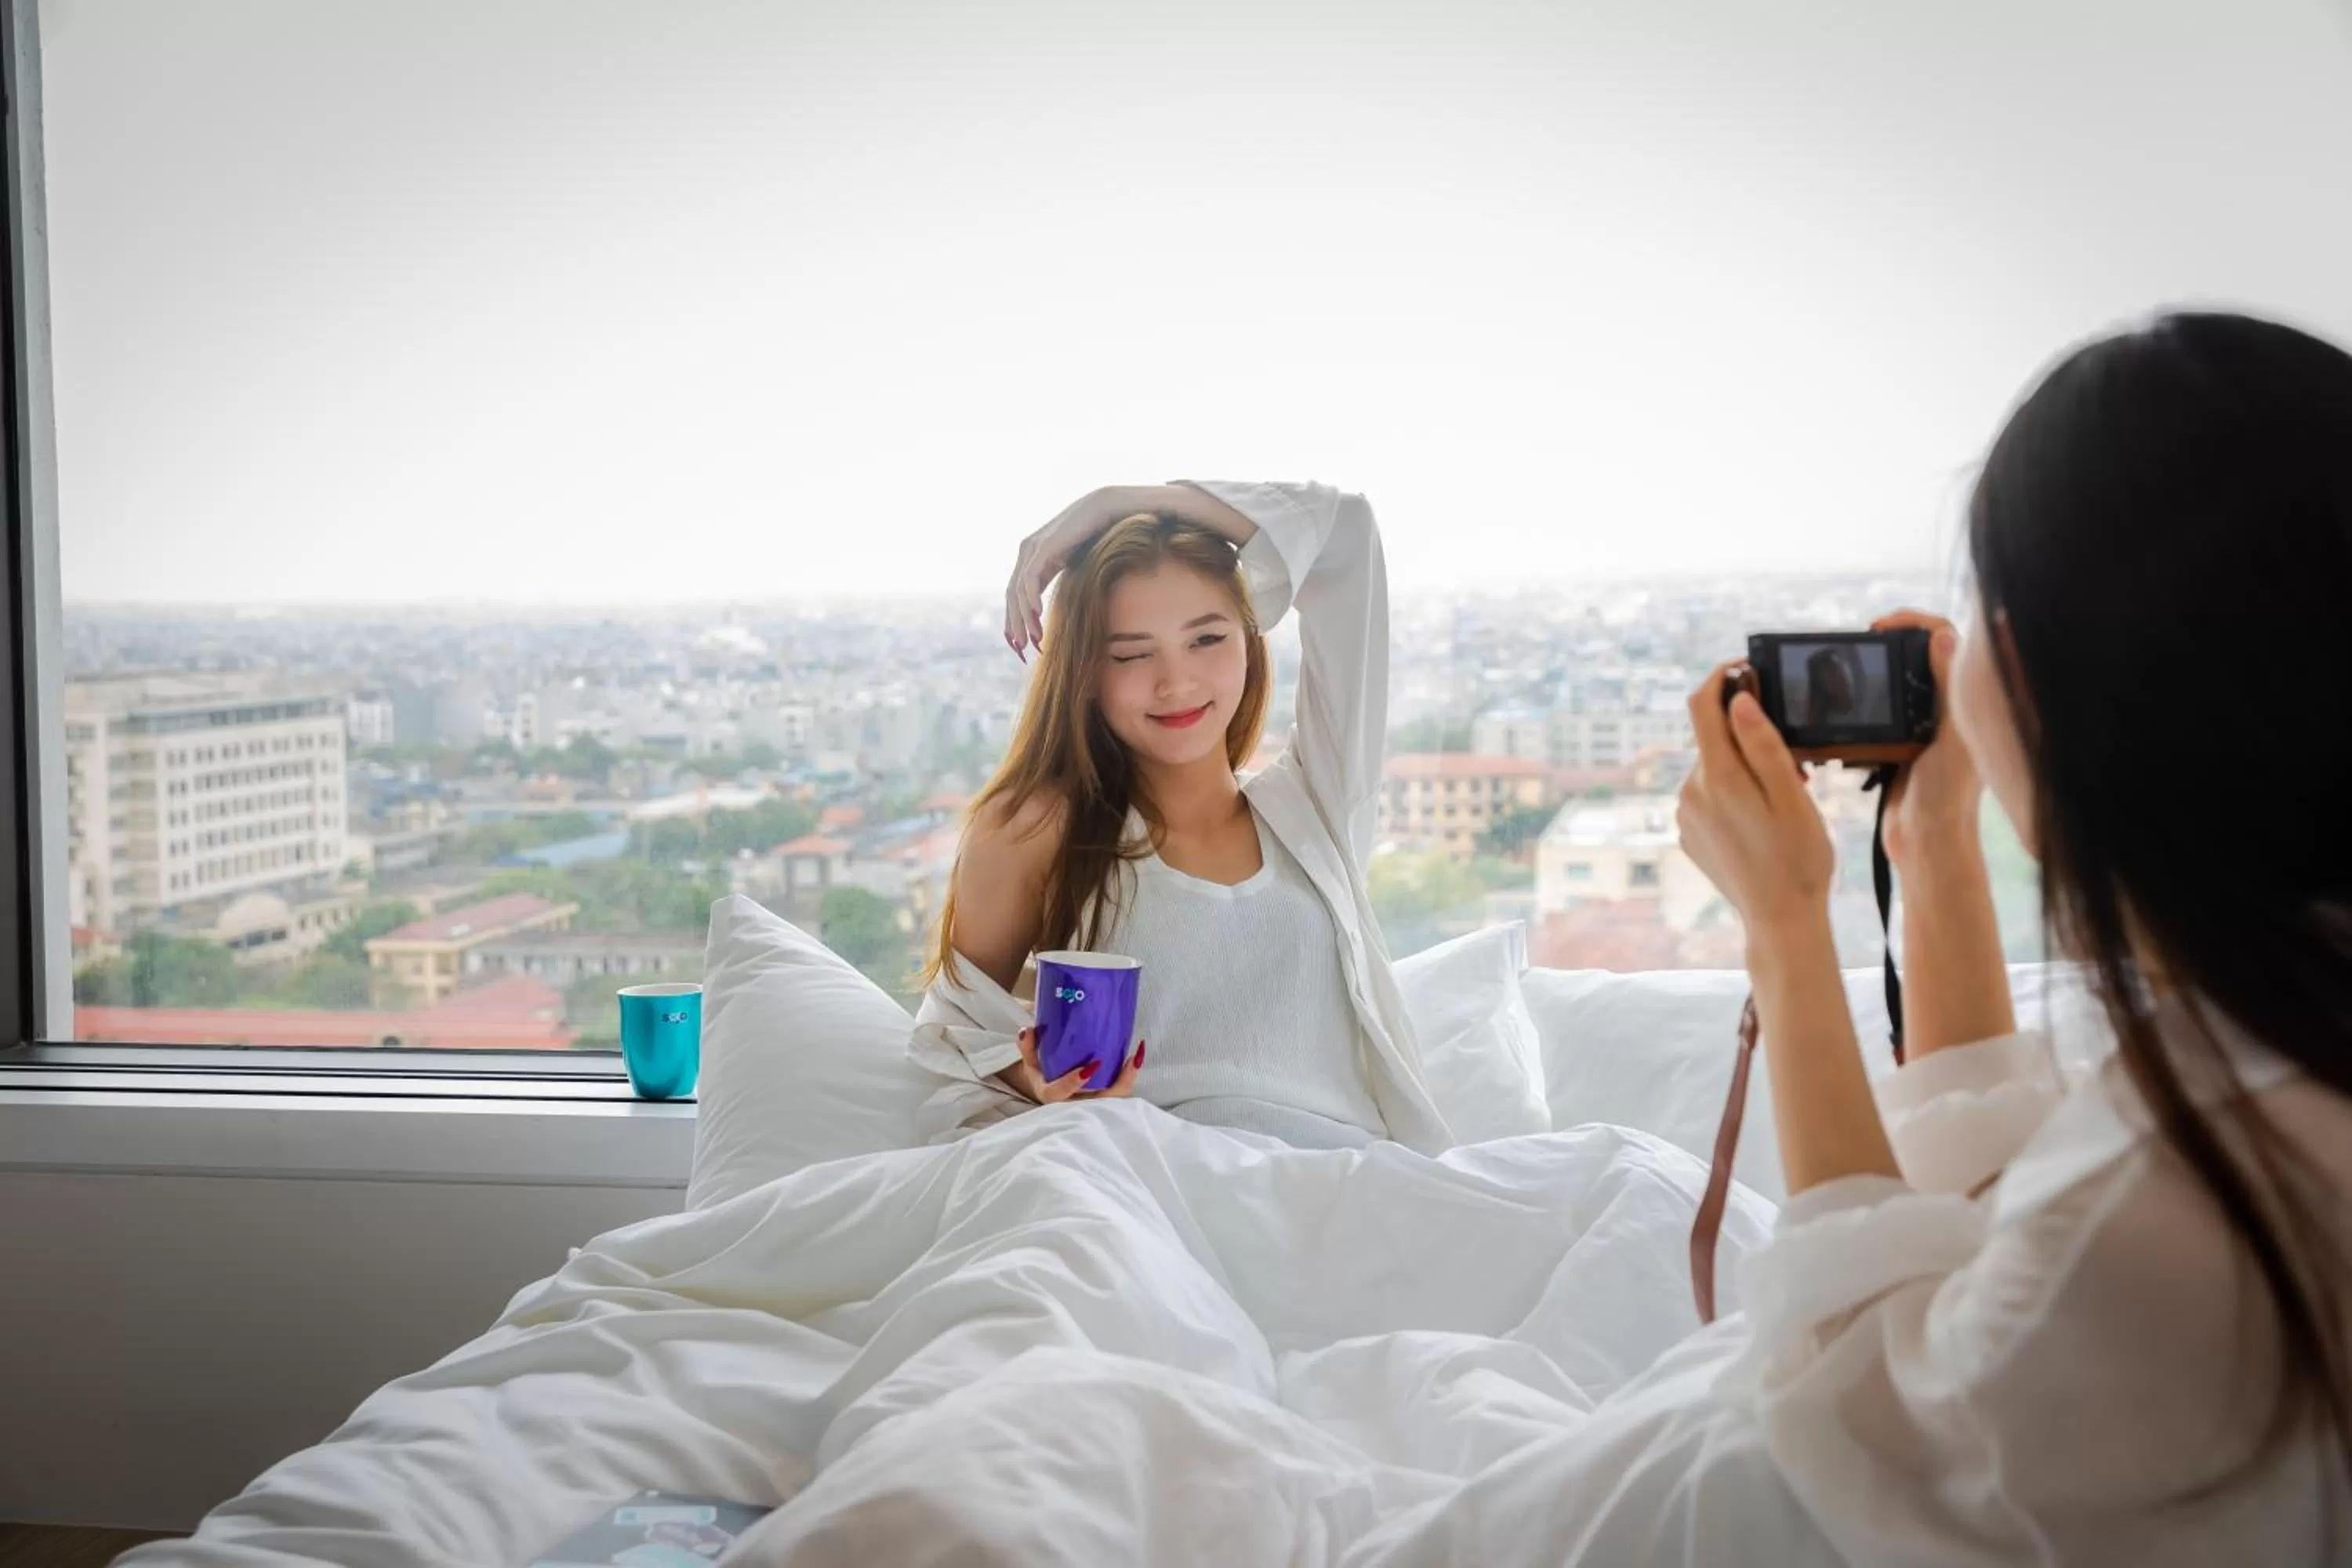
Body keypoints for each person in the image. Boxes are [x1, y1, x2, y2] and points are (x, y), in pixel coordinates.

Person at [906, 481, 1453, 1154]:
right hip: (1157, 1175)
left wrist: (1113, 503)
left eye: (1207, 638)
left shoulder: (1319, 808)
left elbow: (1345, 537)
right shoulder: (1039, 827)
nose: (1177, 682)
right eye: (1132, 653)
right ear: (1084, 672)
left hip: (1345, 1181)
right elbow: (953, 1033)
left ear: (1251, 643)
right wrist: (1038, 1078)